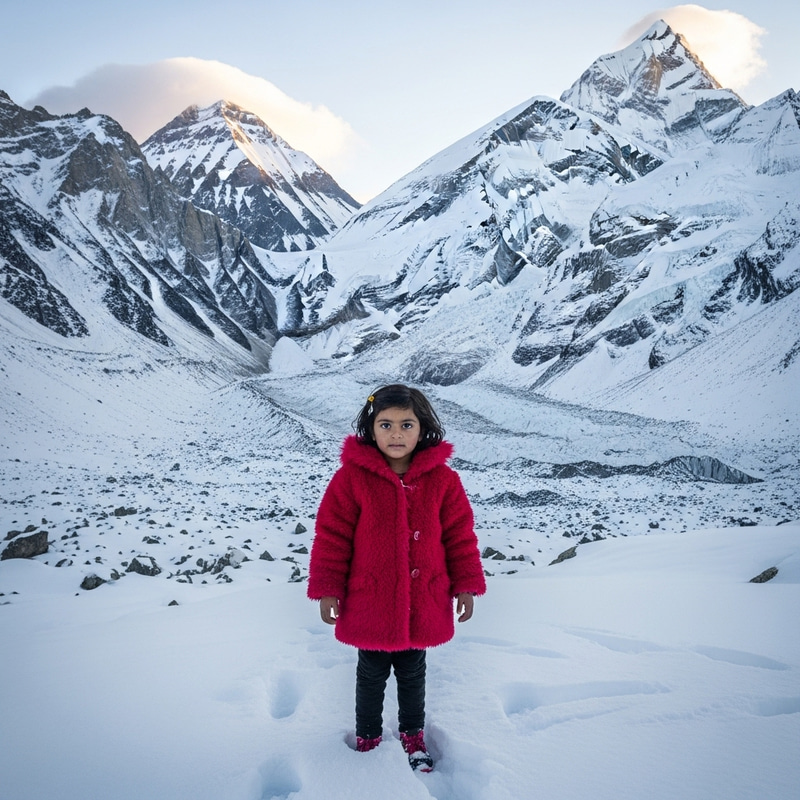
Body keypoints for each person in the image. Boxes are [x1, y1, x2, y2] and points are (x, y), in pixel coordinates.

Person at [307, 384, 486, 772]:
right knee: (370, 674)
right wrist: (327, 589)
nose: (396, 434)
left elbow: (459, 534)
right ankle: (369, 737)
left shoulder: (444, 481)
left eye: (407, 424)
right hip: (370, 599)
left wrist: (466, 583)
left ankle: (412, 736)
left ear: (423, 429)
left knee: (413, 672)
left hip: (424, 599)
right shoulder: (351, 479)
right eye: (385, 424)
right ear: (371, 429)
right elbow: (332, 536)